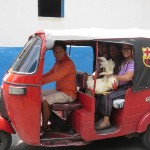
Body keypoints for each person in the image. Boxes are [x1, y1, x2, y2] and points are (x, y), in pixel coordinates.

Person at [95, 44, 134, 130]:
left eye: (128, 49)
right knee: (101, 93)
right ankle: (101, 117)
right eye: (124, 48)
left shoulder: (132, 62)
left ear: (132, 50)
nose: (125, 50)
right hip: (120, 86)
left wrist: (113, 76)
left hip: (128, 88)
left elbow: (127, 77)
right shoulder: (124, 61)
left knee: (108, 96)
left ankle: (106, 122)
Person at [41, 41, 77, 134]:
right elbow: (49, 74)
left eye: (60, 51)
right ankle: (56, 122)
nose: (57, 54)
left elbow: (55, 76)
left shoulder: (68, 64)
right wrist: (35, 79)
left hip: (68, 94)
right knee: (38, 94)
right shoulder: (58, 63)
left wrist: (40, 82)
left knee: (44, 101)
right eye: (55, 52)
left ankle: (44, 127)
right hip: (60, 90)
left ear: (65, 51)